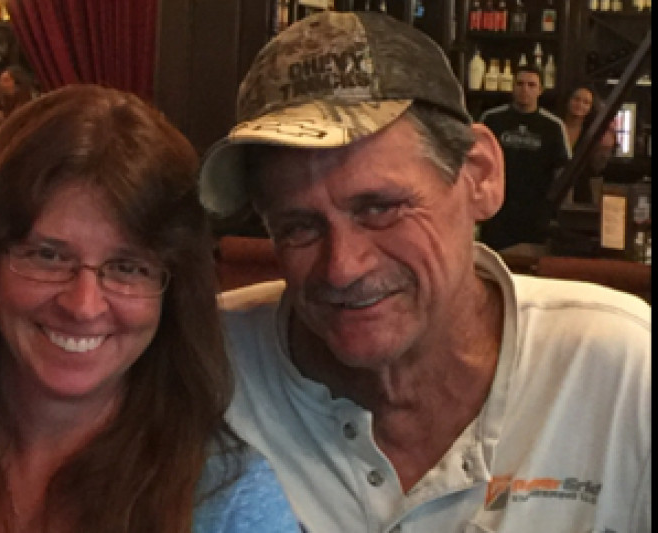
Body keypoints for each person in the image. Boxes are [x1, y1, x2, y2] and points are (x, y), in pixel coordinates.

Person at [198, 11, 650, 533]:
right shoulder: (208, 362)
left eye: (379, 208)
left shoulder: (620, 372)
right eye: (298, 227)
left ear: (480, 176)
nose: (342, 268)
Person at [0, 84, 300, 532]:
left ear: (173, 293)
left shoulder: (231, 503)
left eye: (127, 267)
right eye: (48, 256)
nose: (84, 306)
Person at [478, 64, 572, 250]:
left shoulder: (553, 126)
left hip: (536, 213)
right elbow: (475, 163)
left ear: (540, 90)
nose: (525, 89)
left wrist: (560, 213)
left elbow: (563, 173)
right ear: (512, 87)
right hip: (497, 212)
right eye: (520, 84)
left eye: (531, 85)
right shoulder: (491, 119)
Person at [561, 85, 617, 203]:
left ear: (591, 107)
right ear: (568, 100)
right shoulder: (555, 126)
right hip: (552, 189)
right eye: (576, 99)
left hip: (581, 192)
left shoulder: (593, 133)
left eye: (586, 102)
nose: (580, 104)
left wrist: (605, 149)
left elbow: (597, 169)